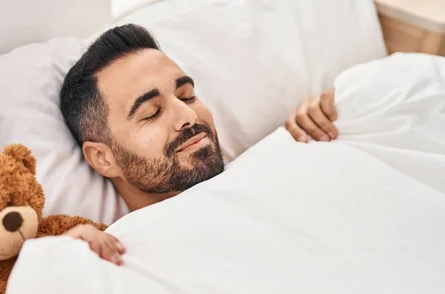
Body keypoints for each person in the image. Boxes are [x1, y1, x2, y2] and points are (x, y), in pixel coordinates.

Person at [61, 23, 338, 264]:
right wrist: (60, 260)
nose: (188, 115)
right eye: (152, 112)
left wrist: (333, 109)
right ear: (102, 158)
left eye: (187, 95)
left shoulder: (280, 157)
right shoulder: (122, 255)